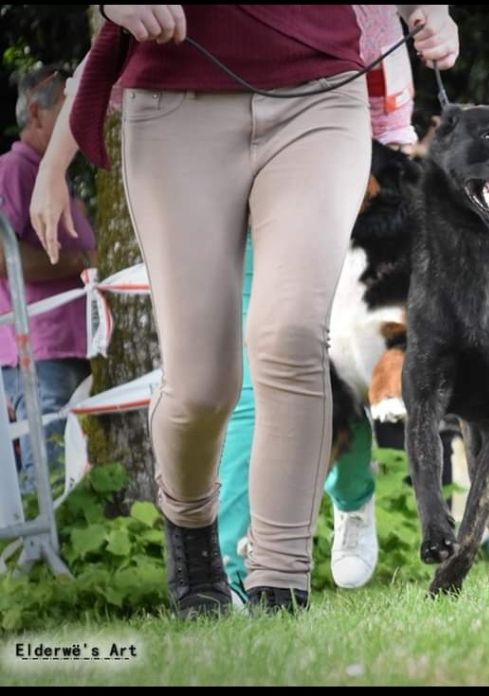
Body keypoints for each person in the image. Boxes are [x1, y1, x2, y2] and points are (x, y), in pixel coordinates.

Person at [33, 5, 458, 617]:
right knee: (202, 386)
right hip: (177, 96)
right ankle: (192, 530)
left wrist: (435, 11)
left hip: (322, 96)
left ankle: (278, 586)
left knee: (289, 340)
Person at [217, 4, 424, 602]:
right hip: (234, 176)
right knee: (251, 389)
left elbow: (392, 117)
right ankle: (236, 573)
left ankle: (353, 496)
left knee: (334, 373)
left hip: (355, 193)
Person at [0, 65, 96, 496]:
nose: (76, 119)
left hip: (75, 343)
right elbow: (3, 255)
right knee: (49, 466)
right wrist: (81, 261)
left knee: (72, 462)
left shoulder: (52, 173)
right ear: (36, 116)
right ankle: (33, 560)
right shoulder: (14, 169)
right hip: (39, 348)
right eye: (65, 108)